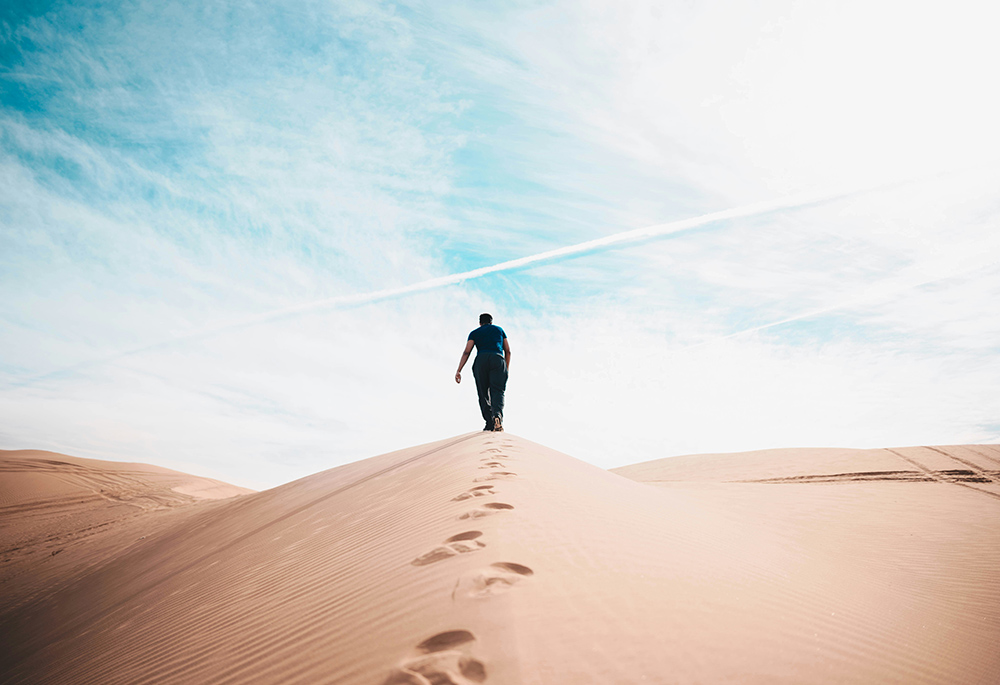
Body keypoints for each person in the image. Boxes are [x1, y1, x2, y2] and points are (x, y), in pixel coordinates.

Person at [455, 313, 510, 431]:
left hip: (481, 360)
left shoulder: (474, 333)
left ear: (480, 323)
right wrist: (506, 368)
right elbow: (508, 351)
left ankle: (489, 422)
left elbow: (467, 352)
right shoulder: (499, 330)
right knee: (497, 391)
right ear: (491, 322)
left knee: (483, 393)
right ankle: (497, 416)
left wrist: (459, 370)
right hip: (498, 359)